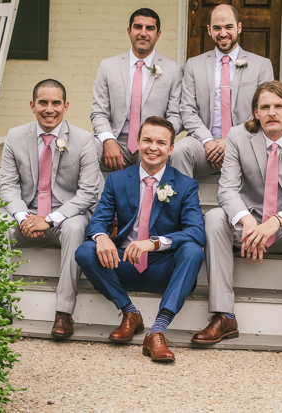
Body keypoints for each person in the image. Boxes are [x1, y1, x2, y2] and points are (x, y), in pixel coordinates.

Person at [192, 81, 282, 348]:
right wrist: (246, 221)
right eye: (264, 107)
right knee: (214, 217)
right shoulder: (237, 136)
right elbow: (227, 190)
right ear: (255, 112)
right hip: (250, 228)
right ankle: (224, 316)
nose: (272, 112)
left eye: (279, 106)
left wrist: (278, 221)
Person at [75, 116, 205, 362]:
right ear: (137, 142)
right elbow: (98, 221)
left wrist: (154, 242)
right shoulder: (117, 180)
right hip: (122, 264)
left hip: (163, 269)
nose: (153, 147)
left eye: (160, 142)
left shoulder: (185, 185)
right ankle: (130, 312)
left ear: (171, 148)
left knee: (193, 250)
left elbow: (197, 231)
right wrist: (101, 236)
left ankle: (157, 331)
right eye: (147, 140)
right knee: (85, 250)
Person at [0, 79, 101, 339]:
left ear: (66, 106)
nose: (49, 109)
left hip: (65, 216)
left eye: (56, 103)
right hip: (29, 214)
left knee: (77, 228)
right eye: (43, 102)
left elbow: (88, 192)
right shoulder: (14, 136)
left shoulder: (85, 140)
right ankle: (0, 303)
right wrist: (24, 218)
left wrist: (50, 219)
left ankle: (63, 313)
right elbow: (7, 185)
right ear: (32, 106)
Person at [170, 4, 274, 178]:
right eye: (217, 28)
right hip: (205, 143)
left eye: (228, 27)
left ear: (239, 28)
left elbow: (264, 110)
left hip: (246, 141)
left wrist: (232, 141)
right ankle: (184, 204)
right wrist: (208, 141)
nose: (223, 33)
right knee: (179, 151)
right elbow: (187, 109)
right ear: (209, 30)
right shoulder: (194, 65)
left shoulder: (261, 65)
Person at [90, 8, 184, 172]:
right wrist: (108, 141)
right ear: (129, 31)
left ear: (158, 34)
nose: (143, 33)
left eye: (150, 28)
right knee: (86, 149)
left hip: (153, 141)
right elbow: (98, 113)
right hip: (117, 139)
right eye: (138, 27)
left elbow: (176, 116)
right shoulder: (108, 66)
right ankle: (97, 197)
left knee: (176, 153)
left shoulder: (174, 70)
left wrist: (156, 140)